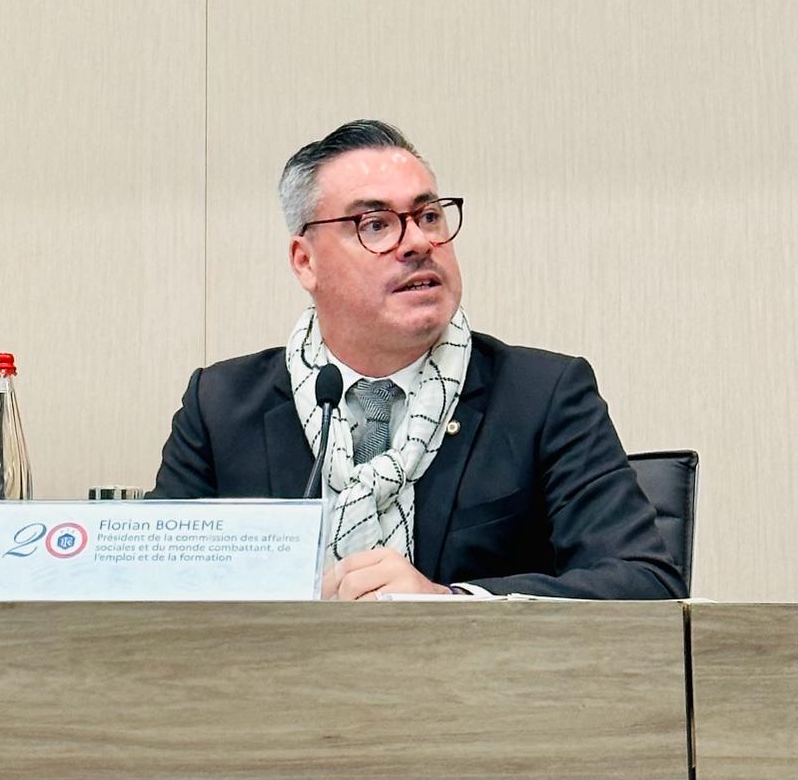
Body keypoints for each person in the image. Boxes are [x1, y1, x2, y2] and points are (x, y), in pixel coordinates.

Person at [151, 120, 683, 600]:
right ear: (305, 261)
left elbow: (643, 583)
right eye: (376, 224)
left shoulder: (542, 396)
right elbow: (144, 594)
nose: (418, 243)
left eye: (428, 216)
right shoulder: (220, 408)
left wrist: (448, 604)